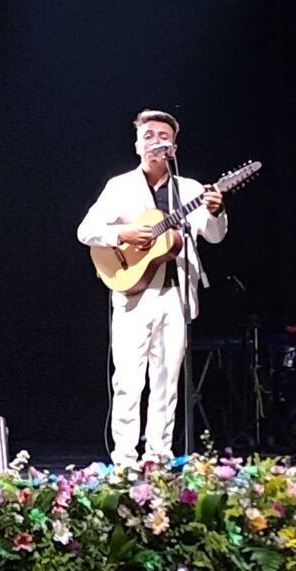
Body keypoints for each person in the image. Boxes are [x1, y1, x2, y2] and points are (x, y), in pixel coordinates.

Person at [76, 109, 227, 466]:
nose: (155, 141)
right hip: (133, 293)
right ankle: (125, 459)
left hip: (176, 295)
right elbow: (86, 231)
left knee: (166, 378)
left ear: (173, 147)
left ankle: (158, 457)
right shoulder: (120, 187)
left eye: (162, 136)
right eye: (148, 135)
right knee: (128, 378)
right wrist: (122, 234)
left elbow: (214, 236)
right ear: (137, 145)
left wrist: (218, 211)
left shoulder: (189, 189)